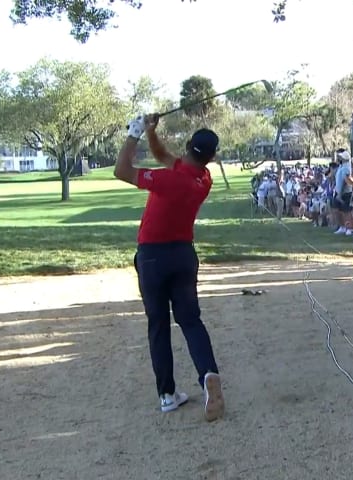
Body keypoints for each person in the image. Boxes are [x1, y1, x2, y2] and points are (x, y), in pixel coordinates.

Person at [113, 114, 224, 422]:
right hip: (183, 256)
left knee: (158, 325)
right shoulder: (202, 180)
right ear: (211, 157)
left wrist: (134, 132)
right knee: (191, 321)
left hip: (152, 257)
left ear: (188, 145)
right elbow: (163, 156)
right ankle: (208, 373)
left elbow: (121, 170)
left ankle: (166, 394)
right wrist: (152, 132)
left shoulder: (168, 180)